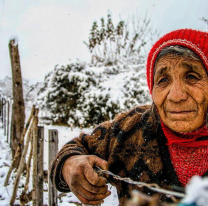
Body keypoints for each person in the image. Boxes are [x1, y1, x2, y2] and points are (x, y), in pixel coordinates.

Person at [50, 29, 208, 206]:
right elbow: (75, 149)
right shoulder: (130, 129)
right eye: (163, 80)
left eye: (192, 77)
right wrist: (70, 165)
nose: (176, 95)